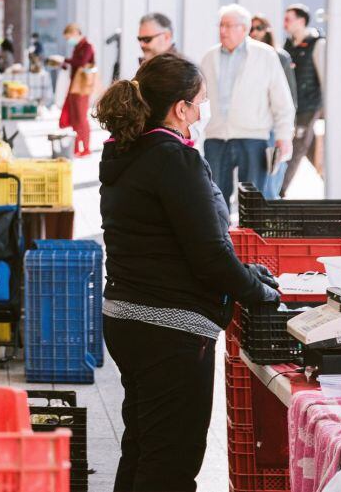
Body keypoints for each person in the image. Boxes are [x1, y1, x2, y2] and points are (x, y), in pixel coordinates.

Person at [94, 53, 280, 492]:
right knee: (171, 464)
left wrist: (244, 272)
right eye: (199, 102)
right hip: (170, 329)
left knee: (142, 447)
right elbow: (209, 255)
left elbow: (168, 240)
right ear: (180, 107)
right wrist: (260, 292)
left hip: (125, 317)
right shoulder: (174, 160)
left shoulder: (126, 152)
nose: (201, 111)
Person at [200, 5, 294, 205]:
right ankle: (220, 236)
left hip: (254, 137)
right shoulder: (209, 57)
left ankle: (254, 236)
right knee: (215, 199)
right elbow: (200, 97)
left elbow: (281, 100)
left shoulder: (266, 55)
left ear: (244, 29)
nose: (222, 31)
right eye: (221, 25)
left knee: (254, 201)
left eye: (228, 26)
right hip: (216, 137)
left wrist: (284, 136)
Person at [250, 15, 297, 199]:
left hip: (272, 128)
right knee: (254, 183)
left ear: (267, 30)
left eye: (259, 27)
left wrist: (286, 130)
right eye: (251, 28)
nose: (254, 32)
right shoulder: (244, 58)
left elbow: (290, 97)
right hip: (252, 127)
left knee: (271, 180)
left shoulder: (280, 56)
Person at [282, 4, 326, 196]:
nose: (285, 23)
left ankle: (279, 191)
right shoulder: (288, 45)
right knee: (310, 147)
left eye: (288, 19)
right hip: (292, 105)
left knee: (297, 145)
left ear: (301, 21)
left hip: (309, 105)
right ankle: (331, 176)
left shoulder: (318, 44)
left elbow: (324, 76)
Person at [60, 23, 96, 157]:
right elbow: (75, 63)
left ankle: (86, 148)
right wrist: (64, 63)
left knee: (81, 117)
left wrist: (65, 60)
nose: (69, 40)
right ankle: (75, 148)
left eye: (69, 37)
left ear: (75, 33)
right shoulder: (77, 47)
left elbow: (81, 63)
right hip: (74, 85)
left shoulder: (87, 46)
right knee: (74, 117)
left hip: (82, 87)